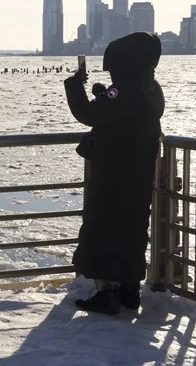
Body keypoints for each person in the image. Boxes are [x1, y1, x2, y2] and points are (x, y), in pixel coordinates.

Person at [63, 32, 165, 314]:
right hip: (139, 174)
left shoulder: (121, 91)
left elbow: (88, 114)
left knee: (102, 228)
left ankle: (106, 292)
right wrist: (103, 95)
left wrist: (74, 85)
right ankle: (130, 289)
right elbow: (127, 112)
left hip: (113, 174)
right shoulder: (151, 88)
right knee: (132, 228)